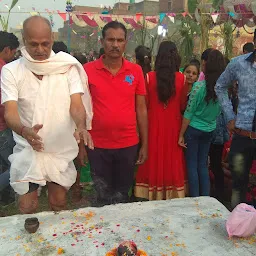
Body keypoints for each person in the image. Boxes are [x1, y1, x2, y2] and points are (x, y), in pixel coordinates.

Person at [1, 16, 93, 214]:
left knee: (59, 203)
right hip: (28, 147)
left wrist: (81, 126)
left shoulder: (67, 67)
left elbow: (76, 105)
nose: (40, 50)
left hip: (59, 147)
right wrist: (25, 131)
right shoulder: (11, 71)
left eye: (45, 43)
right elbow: (10, 111)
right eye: (34, 44)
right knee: (27, 206)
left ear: (52, 38)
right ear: (24, 40)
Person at [84, 21, 148, 205]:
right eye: (111, 39)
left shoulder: (135, 71)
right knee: (102, 195)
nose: (115, 44)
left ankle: (122, 231)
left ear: (125, 42)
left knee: (122, 196)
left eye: (120, 40)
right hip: (97, 146)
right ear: (102, 41)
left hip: (127, 145)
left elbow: (141, 109)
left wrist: (145, 144)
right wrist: (81, 145)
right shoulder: (87, 71)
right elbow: (80, 109)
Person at [134, 41, 187, 200]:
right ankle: (171, 193)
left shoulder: (149, 77)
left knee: (153, 156)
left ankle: (151, 192)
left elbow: (145, 104)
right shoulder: (182, 79)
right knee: (171, 160)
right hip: (174, 126)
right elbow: (183, 105)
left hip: (153, 126)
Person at [215, 34, 256, 209]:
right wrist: (229, 116)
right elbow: (220, 86)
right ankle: (236, 228)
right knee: (238, 187)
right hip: (243, 135)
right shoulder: (239, 64)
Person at [179, 50, 224, 197]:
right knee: (203, 164)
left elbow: (188, 113)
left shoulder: (199, 87)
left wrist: (181, 134)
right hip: (210, 129)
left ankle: (194, 199)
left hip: (193, 130)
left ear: (206, 65)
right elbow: (220, 112)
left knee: (192, 164)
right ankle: (205, 199)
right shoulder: (222, 90)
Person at [0, 31, 19, 205]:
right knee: (16, 164)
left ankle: (5, 199)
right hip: (3, 128)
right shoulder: (5, 71)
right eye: (13, 52)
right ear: (7, 50)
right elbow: (6, 104)